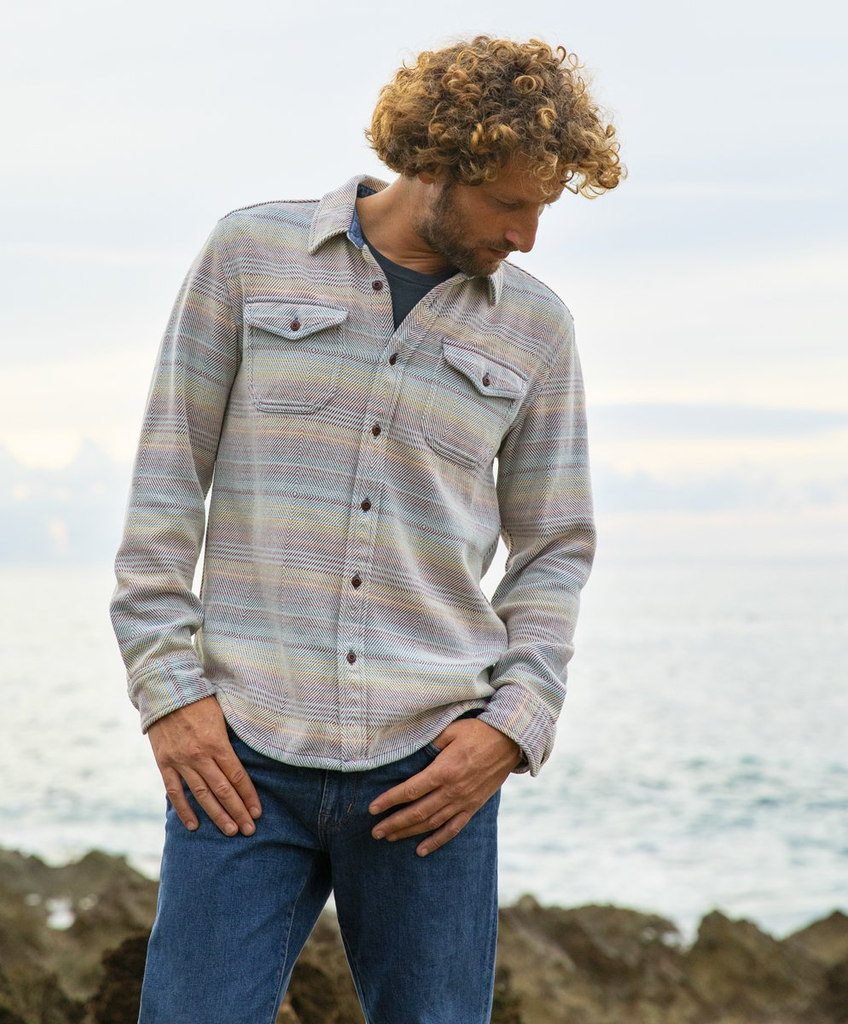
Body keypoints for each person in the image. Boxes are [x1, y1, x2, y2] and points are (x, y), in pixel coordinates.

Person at [109, 32, 623, 1024]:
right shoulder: (247, 257)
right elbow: (166, 484)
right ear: (435, 163)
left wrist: (512, 726)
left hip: (434, 767)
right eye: (508, 203)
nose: (526, 235)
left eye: (542, 208)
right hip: (240, 757)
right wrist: (168, 694)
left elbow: (555, 547)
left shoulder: (537, 328)